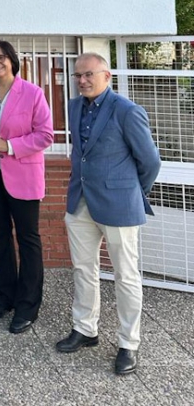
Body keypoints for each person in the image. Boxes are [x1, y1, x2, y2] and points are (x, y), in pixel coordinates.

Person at [56, 53, 161, 375]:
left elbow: (150, 161)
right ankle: (85, 328)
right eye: (78, 75)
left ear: (107, 76)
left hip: (119, 205)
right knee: (83, 269)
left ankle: (129, 343)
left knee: (125, 275)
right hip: (81, 202)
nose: (82, 80)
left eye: (89, 74)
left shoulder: (127, 111)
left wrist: (131, 192)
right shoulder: (74, 107)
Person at [0, 40, 54, 334]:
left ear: (12, 60)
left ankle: (27, 305)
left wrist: (10, 145)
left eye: (2, 57)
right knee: (0, 236)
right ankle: (4, 296)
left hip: (23, 177)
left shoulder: (32, 93)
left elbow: (45, 135)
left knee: (28, 239)